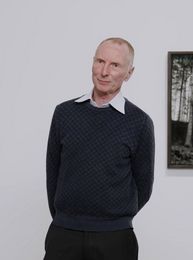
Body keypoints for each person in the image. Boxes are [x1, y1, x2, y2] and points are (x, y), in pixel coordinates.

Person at [43, 37, 155, 260]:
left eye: (115, 65)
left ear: (129, 73)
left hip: (115, 239)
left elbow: (144, 186)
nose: (104, 71)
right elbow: (52, 174)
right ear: (92, 62)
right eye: (100, 61)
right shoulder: (64, 114)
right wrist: (66, 218)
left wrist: (113, 219)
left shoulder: (139, 122)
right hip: (63, 234)